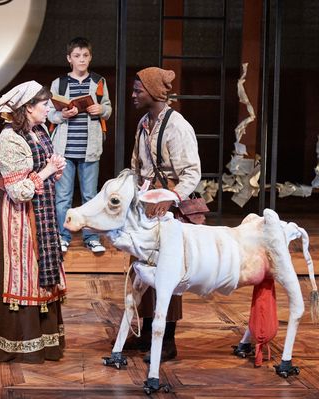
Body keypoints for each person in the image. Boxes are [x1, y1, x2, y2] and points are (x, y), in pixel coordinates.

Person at [0, 81, 68, 363]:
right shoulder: (10, 139)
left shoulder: (40, 130)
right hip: (16, 217)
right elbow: (19, 192)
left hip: (40, 212)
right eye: (44, 105)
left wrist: (54, 170)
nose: (49, 109)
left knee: (41, 268)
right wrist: (46, 172)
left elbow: (41, 169)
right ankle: (14, 339)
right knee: (21, 273)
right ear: (28, 108)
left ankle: (43, 339)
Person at [128, 67, 201, 362]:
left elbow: (192, 172)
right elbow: (137, 166)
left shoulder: (176, 126)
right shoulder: (145, 123)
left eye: (138, 90)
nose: (133, 95)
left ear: (155, 92)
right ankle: (146, 333)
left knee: (166, 275)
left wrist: (171, 199)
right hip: (147, 206)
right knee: (142, 271)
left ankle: (167, 340)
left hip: (166, 209)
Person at [48, 37, 112, 254]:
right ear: (69, 59)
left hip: (89, 149)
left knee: (90, 196)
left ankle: (91, 237)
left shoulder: (98, 81)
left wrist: (100, 111)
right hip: (64, 150)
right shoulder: (60, 83)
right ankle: (63, 236)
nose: (81, 59)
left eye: (85, 55)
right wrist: (62, 114)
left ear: (90, 57)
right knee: (63, 197)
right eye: (77, 56)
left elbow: (108, 109)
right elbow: (49, 112)